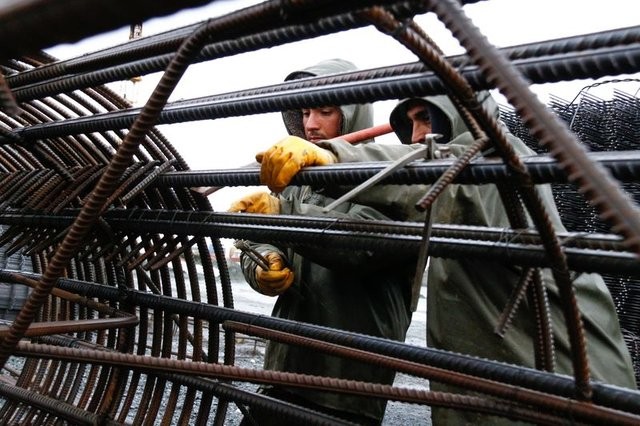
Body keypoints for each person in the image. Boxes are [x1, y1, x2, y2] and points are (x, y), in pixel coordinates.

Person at [255, 92, 638, 424]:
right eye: (411, 123)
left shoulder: (502, 164)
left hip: (570, 387)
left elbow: (442, 185)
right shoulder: (428, 202)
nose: (419, 134)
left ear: (461, 113)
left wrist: (336, 158)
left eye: (427, 118)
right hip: (503, 387)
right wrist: (263, 252)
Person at [228, 59, 415, 425]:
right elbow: (260, 236)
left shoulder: (395, 179)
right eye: (306, 111)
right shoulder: (298, 175)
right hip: (285, 364)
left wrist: (281, 213)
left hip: (348, 383)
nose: (311, 124)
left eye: (325, 111)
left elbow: (363, 246)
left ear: (352, 113)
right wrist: (263, 262)